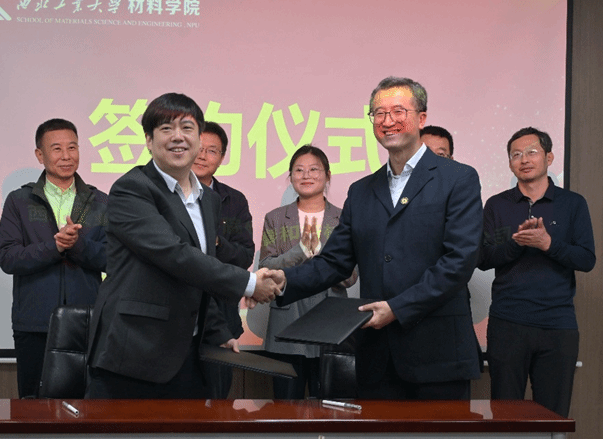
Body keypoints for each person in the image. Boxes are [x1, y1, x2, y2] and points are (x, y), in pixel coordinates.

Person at [268, 76, 483, 400]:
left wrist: (397, 308)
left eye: (398, 111)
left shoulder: (458, 178)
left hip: (438, 355)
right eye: (379, 113)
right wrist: (282, 281)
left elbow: (459, 261)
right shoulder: (361, 191)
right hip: (377, 358)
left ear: (421, 118)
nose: (387, 120)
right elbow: (334, 262)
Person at [85, 93, 280, 399]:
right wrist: (250, 283)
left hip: (188, 354)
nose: (178, 137)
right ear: (149, 141)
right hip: (134, 353)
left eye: (187, 128)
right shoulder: (131, 189)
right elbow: (175, 255)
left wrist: (217, 331)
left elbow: (198, 272)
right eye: (166, 128)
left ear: (199, 139)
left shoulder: (209, 200)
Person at [478, 126, 595, 417]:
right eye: (516, 155)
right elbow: (483, 258)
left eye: (531, 152)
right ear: (509, 163)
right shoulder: (497, 205)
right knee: (505, 416)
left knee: (553, 417)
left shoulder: (573, 203)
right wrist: (516, 244)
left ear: (549, 157)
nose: (524, 159)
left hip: (557, 324)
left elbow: (586, 259)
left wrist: (548, 244)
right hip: (507, 323)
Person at [0, 119, 108, 398]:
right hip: (35, 322)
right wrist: (54, 246)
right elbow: (7, 257)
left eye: (72, 147)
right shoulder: (19, 201)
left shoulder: (100, 202)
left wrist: (78, 245)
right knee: (34, 405)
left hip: (87, 322)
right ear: (40, 155)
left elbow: (114, 259)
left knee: (88, 405)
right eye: (57, 149)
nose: (66, 156)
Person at [259, 145, 357, 399]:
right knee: (285, 408)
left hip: (330, 323)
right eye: (299, 170)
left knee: (329, 408)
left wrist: (325, 257)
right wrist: (300, 252)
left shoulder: (344, 219)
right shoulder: (275, 219)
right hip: (287, 322)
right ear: (290, 176)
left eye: (314, 169)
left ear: (328, 175)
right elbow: (265, 268)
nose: (306, 175)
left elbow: (351, 276)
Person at [192, 121, 255, 399]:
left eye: (212, 151)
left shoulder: (235, 201)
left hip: (222, 314)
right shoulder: (167, 196)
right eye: (198, 148)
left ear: (222, 158)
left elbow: (245, 255)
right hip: (178, 315)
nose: (202, 156)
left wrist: (216, 242)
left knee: (219, 399)